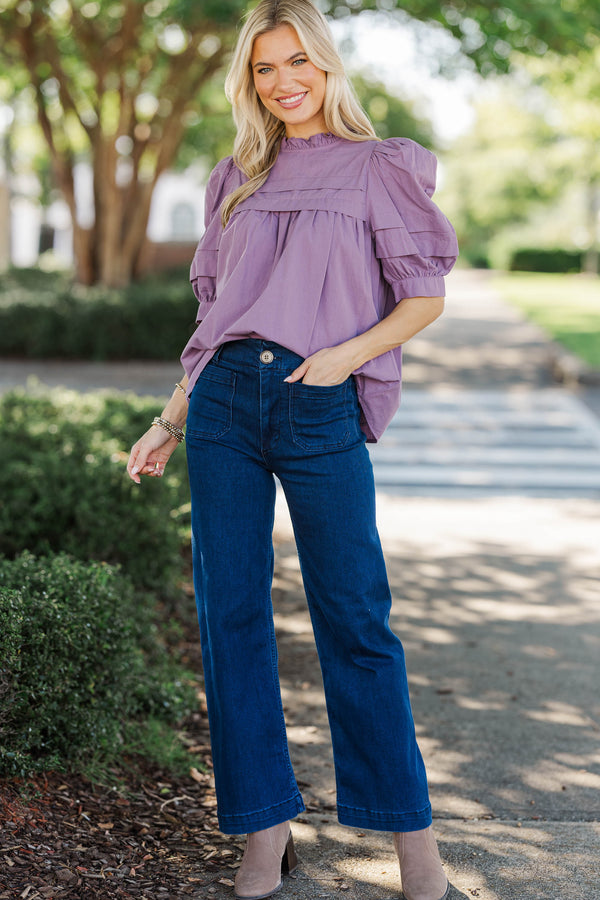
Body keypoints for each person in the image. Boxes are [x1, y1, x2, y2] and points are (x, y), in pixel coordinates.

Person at [127, 1, 458, 898]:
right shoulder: (234, 174)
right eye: (266, 68)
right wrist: (167, 422)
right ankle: (264, 832)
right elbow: (213, 321)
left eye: (299, 62)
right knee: (229, 621)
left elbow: (421, 297)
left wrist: (339, 363)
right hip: (226, 405)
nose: (285, 82)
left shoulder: (378, 168)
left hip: (319, 404)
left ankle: (413, 846)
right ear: (251, 79)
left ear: (328, 66)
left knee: (356, 620)